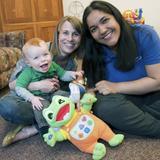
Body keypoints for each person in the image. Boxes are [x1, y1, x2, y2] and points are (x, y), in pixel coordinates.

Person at [0, 16, 83, 146]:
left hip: (50, 101)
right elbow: (12, 85)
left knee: (77, 97)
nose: (70, 39)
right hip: (29, 100)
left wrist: (76, 79)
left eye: (76, 34)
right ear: (58, 33)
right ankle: (50, 123)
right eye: (66, 32)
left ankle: (34, 128)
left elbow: (64, 85)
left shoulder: (72, 63)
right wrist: (37, 86)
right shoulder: (36, 50)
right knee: (6, 105)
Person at [82, 0, 160, 137]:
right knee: (103, 106)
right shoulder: (93, 53)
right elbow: (92, 88)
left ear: (116, 17)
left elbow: (157, 81)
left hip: (154, 97)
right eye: (94, 29)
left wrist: (116, 87)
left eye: (105, 20)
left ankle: (136, 122)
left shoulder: (145, 34)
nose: (102, 30)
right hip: (125, 102)